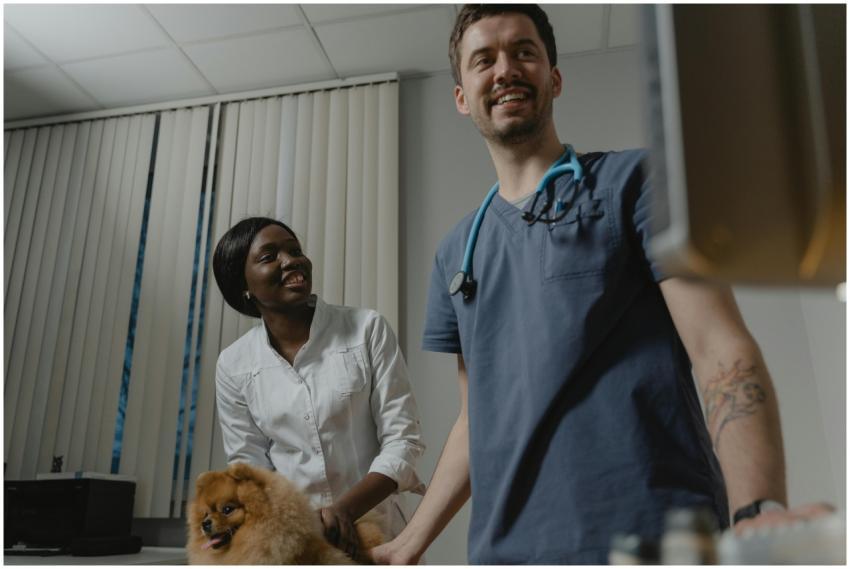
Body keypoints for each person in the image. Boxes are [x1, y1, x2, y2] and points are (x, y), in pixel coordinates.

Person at [371, 4, 831, 564]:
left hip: (650, 538)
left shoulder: (635, 184)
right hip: (507, 552)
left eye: (524, 52)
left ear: (554, 77)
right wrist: (406, 544)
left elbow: (719, 347)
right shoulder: (455, 254)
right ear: (462, 96)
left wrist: (760, 511)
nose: (505, 69)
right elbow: (476, 422)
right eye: (483, 59)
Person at [211, 216, 425, 559]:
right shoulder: (234, 364)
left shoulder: (366, 329)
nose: (291, 260)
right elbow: (249, 465)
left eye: (294, 250)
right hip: (296, 541)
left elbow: (403, 439)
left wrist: (344, 511)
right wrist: (298, 524)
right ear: (244, 285)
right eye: (269, 256)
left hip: (380, 534)